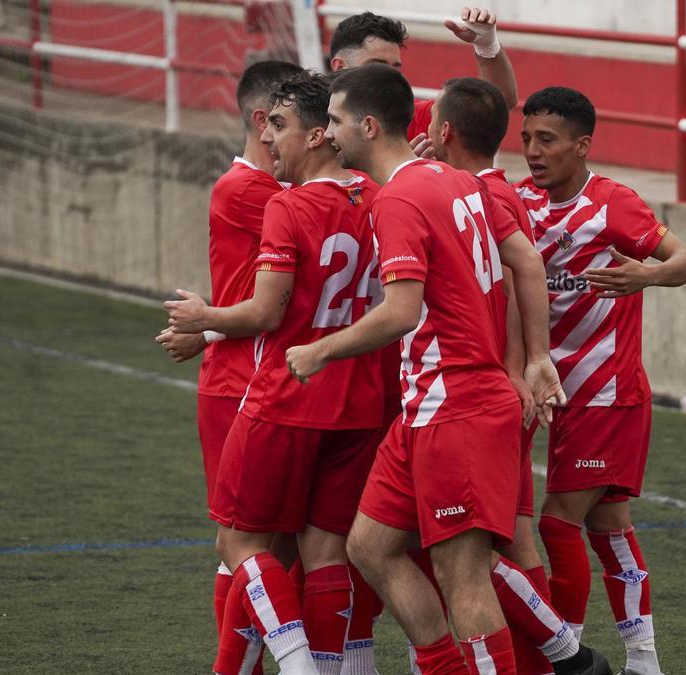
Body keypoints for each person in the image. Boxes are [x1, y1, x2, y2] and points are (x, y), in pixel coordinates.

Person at [285, 64, 608, 675]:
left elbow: (402, 312)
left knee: (466, 576)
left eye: (334, 121)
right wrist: (536, 358)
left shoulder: (401, 198)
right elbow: (528, 263)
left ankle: (560, 658)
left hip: (455, 404)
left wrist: (321, 350)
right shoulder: (453, 179)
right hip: (433, 406)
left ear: (369, 125)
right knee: (370, 547)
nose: (327, 133)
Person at [166, 71, 384, 675]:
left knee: (238, 543)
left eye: (282, 128)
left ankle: (298, 666)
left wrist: (204, 317)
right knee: (324, 550)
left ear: (319, 135)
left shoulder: (287, 204)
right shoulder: (377, 194)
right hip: (361, 400)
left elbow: (268, 310)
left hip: (286, 395)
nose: (272, 141)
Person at [517, 87, 686, 675]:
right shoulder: (519, 200)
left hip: (605, 392)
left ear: (582, 145)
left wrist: (643, 276)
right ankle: (644, 660)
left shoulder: (613, 204)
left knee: (555, 520)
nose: (532, 151)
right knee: (608, 525)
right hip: (549, 386)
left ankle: (562, 656)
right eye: (526, 138)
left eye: (547, 140)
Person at [155, 58, 302, 673]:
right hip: (239, 383)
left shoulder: (284, 192)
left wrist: (208, 323)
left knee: (287, 542)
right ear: (264, 121)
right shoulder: (249, 191)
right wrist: (213, 325)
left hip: (271, 374)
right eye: (302, 121)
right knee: (241, 542)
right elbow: (272, 303)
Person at [327, 8, 517, 152]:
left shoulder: (417, 118)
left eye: (395, 68)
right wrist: (402, 173)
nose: (389, 76)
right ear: (339, 67)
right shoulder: (308, 124)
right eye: (377, 65)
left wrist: (487, 46)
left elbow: (495, 104)